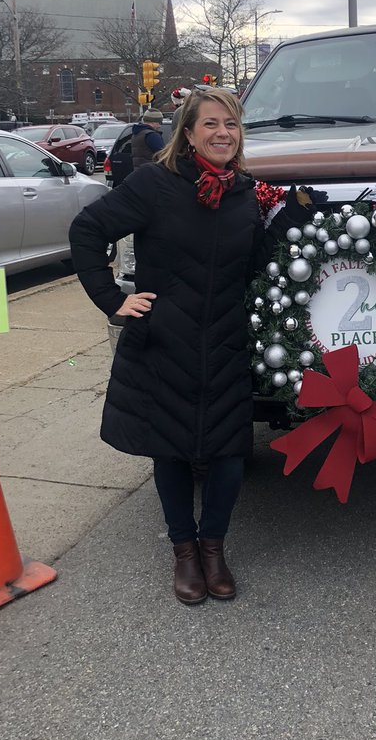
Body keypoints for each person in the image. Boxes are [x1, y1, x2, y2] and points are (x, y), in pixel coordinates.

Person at [69, 89, 318, 606]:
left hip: (227, 341)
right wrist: (112, 299)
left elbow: (259, 266)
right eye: (211, 124)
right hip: (165, 340)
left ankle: (213, 548)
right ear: (188, 132)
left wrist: (294, 227)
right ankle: (184, 550)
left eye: (231, 123)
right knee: (173, 450)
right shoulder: (154, 185)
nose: (223, 132)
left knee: (228, 452)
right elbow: (88, 230)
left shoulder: (247, 193)